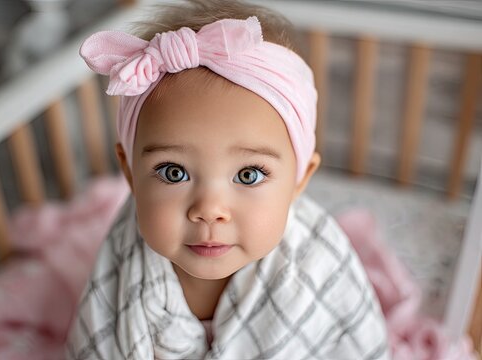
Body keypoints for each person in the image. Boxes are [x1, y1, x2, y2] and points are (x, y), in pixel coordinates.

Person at [66, 0, 390, 358]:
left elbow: (359, 345)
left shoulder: (317, 267)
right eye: (174, 172)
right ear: (130, 173)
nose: (210, 210)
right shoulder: (122, 269)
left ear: (300, 179)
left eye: (248, 175)